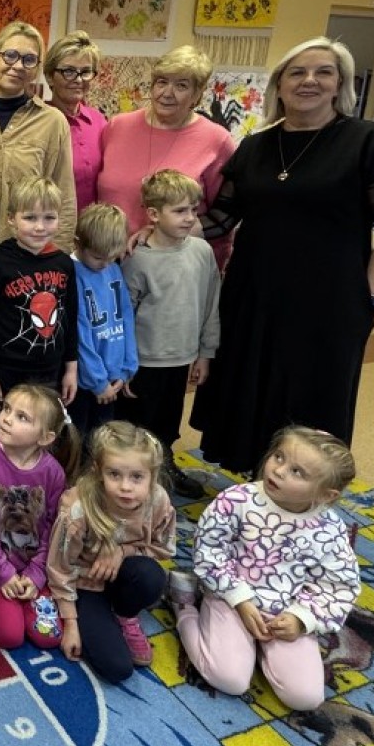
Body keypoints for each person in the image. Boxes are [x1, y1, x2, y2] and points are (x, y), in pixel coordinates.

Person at [191, 37, 374, 475]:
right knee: (248, 392)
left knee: (312, 398)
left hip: (329, 303)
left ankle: (302, 492)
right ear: (279, 84)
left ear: (340, 85)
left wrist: (368, 298)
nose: (309, 81)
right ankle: (252, 491)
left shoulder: (367, 141)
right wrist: (154, 232)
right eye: (297, 72)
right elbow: (220, 219)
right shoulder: (255, 147)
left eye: (323, 72)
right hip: (252, 298)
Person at [169, 426, 361, 713]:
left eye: (298, 472)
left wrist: (301, 618)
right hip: (230, 597)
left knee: (307, 698)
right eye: (279, 457)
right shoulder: (236, 500)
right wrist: (239, 599)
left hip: (285, 612)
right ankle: (183, 606)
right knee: (230, 679)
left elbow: (339, 586)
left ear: (326, 495)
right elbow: (209, 549)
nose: (279, 471)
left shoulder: (330, 530)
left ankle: (256, 650)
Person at [46, 422, 175, 683]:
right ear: (98, 472)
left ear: (152, 475)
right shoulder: (79, 510)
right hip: (84, 583)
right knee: (117, 669)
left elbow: (164, 548)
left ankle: (125, 615)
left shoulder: (158, 500)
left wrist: (121, 551)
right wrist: (70, 623)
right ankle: (100, 613)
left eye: (137, 477)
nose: (126, 487)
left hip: (125, 575)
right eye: (114, 474)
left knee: (152, 576)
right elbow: (59, 568)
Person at [118, 170, 220, 499]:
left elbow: (210, 304)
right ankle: (135, 478)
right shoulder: (137, 261)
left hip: (182, 357)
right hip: (143, 362)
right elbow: (123, 318)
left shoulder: (202, 252)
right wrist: (124, 366)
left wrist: (206, 352)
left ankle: (165, 467)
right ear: (153, 214)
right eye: (180, 211)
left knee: (168, 422)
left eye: (194, 209)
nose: (190, 218)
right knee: (139, 427)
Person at [94, 45, 234, 263]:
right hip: (107, 262)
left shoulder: (217, 140)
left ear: (197, 94)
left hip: (174, 268)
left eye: (181, 85)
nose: (167, 93)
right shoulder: (117, 127)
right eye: (162, 82)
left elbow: (223, 216)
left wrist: (159, 236)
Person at [0, 383, 83, 650]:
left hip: (36, 567)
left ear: (45, 437)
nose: (6, 418)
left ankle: (25, 589)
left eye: (22, 417)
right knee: (9, 636)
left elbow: (54, 530)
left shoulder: (53, 472)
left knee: (48, 636)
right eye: (7, 409)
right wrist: (2, 572)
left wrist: (36, 575)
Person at [0, 176, 78, 445]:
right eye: (30, 218)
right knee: (0, 435)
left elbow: (70, 318)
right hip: (5, 370)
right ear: (11, 219)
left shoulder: (64, 264)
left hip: (50, 370)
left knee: (42, 435)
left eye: (49, 218)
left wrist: (71, 368)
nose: (40, 227)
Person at [0, 21, 78, 255]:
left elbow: (63, 198)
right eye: (10, 55)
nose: (17, 65)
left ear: (36, 69)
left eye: (28, 59)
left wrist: (57, 260)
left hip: (25, 258)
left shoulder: (53, 123)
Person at [72, 203, 138, 440]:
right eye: (99, 256)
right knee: (78, 442)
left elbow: (126, 316)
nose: (106, 263)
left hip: (113, 376)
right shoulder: (74, 274)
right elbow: (79, 334)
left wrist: (127, 367)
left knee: (103, 440)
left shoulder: (112, 268)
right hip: (85, 382)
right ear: (78, 243)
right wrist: (97, 381)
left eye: (113, 257)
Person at [44, 30, 107, 212]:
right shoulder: (40, 122)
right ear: (50, 76)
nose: (78, 80)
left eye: (86, 72)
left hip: (93, 232)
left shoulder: (98, 120)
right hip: (52, 230)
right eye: (69, 71)